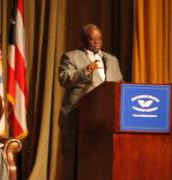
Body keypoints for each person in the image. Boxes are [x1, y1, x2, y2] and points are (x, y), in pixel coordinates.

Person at [58, 24, 123, 180]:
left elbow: (120, 84)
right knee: (73, 162)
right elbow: (64, 79)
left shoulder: (112, 60)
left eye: (99, 38)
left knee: (98, 162)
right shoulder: (71, 57)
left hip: (104, 121)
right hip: (76, 116)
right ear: (83, 40)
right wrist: (86, 70)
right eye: (92, 39)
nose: (97, 42)